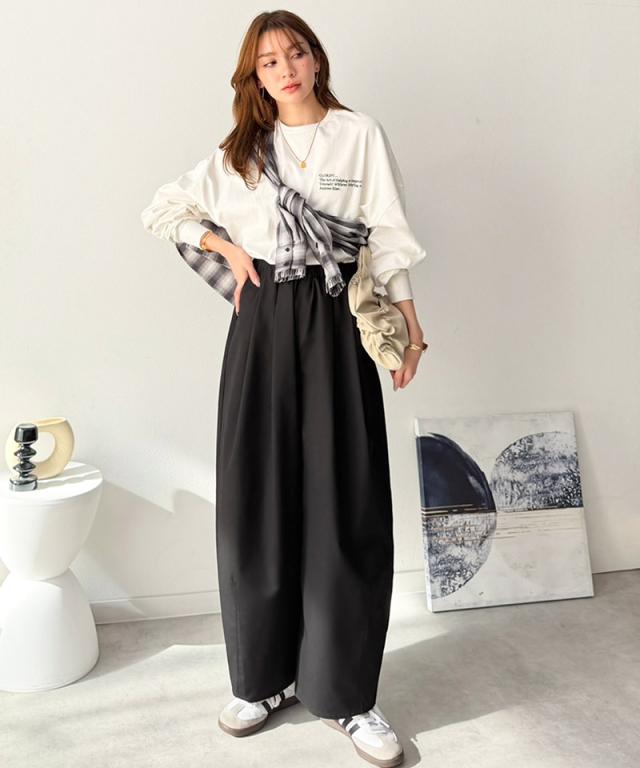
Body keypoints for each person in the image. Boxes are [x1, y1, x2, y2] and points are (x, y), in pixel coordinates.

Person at [141, 10, 428, 767]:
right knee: (256, 500)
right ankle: (262, 680)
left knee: (344, 500)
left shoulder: (358, 134)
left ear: (315, 58)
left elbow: (386, 236)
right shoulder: (241, 151)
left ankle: (347, 694)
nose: (286, 69)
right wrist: (222, 245)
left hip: (337, 318)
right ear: (255, 77)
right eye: (268, 62)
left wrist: (408, 324)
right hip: (262, 319)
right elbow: (162, 209)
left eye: (295, 53)